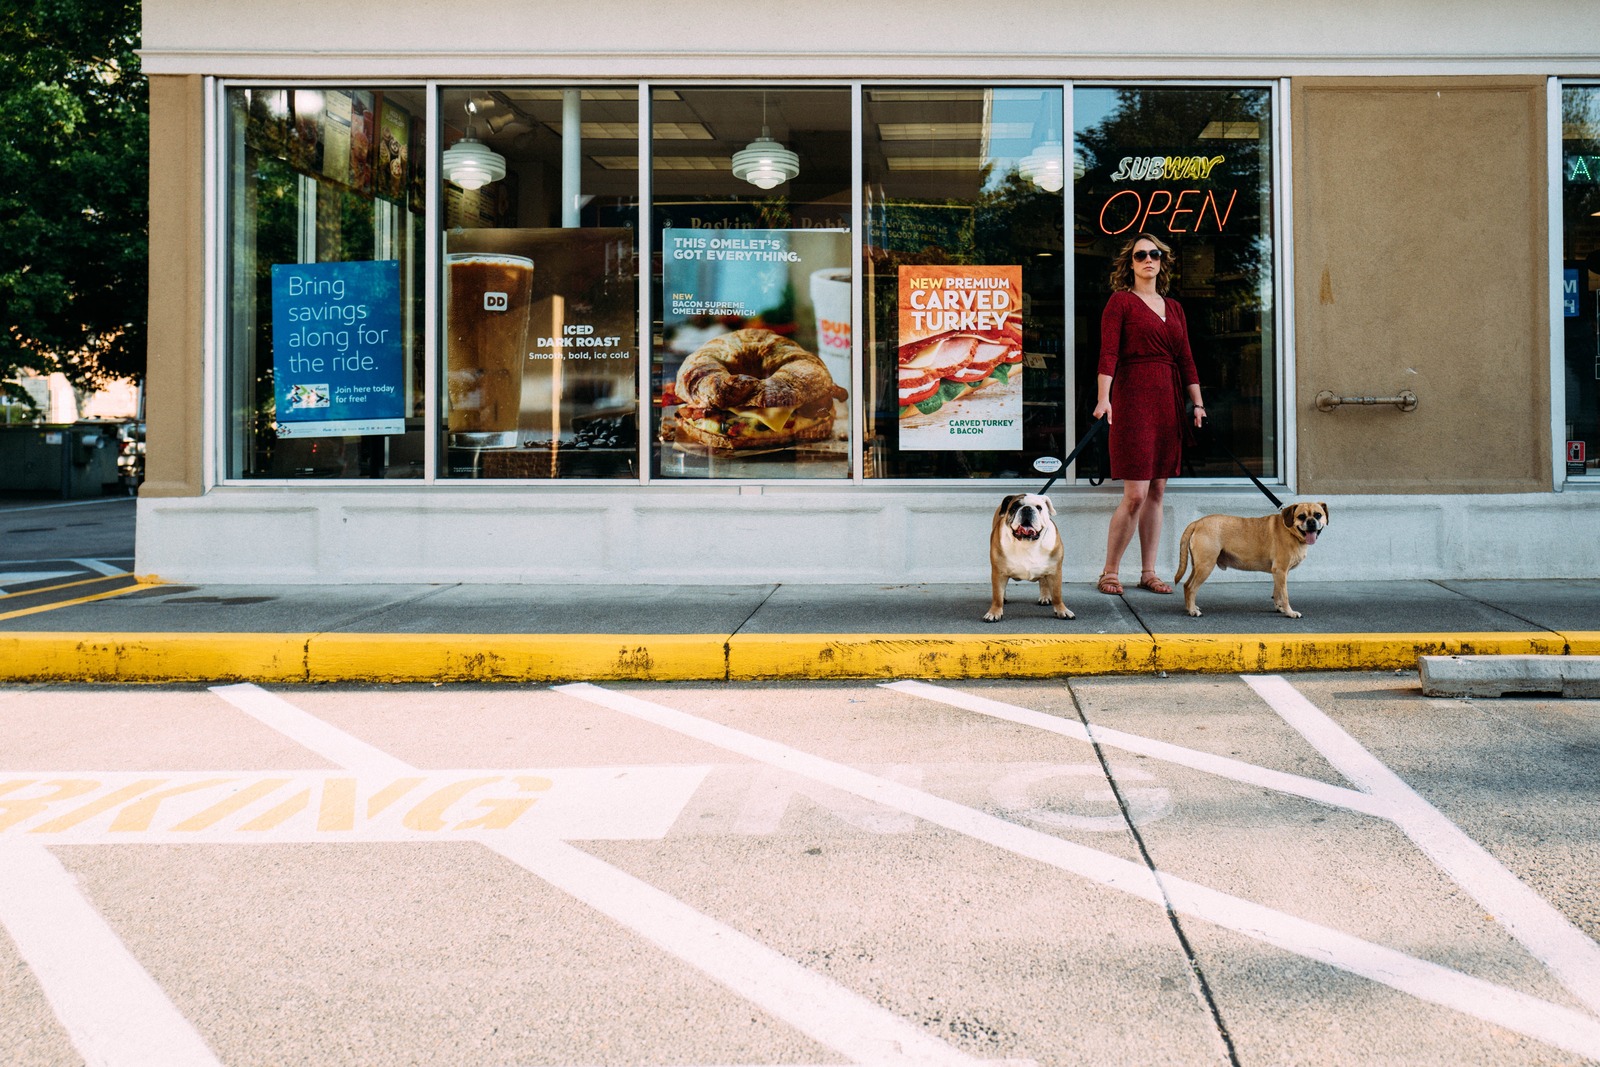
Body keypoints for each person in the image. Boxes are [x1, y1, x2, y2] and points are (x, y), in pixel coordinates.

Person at [1092, 233, 1206, 596]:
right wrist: (1103, 398)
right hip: (1133, 399)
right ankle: (1110, 571)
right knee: (1136, 494)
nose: (1148, 260)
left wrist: (1197, 403)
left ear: (1162, 261)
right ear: (1131, 263)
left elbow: (1186, 359)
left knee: (1157, 489)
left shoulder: (1174, 308)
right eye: (1140, 255)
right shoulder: (1121, 302)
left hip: (1168, 402)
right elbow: (1108, 354)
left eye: (1154, 254)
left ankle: (1148, 572)